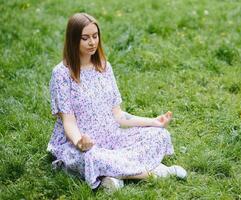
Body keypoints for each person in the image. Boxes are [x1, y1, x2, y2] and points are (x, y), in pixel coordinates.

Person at [47, 13, 187, 190]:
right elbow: (68, 121)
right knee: (92, 157)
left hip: (111, 136)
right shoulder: (61, 74)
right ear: (73, 39)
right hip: (78, 144)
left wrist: (154, 122)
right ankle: (156, 173)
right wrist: (79, 142)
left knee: (159, 135)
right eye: (85, 38)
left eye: (95, 36)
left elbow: (118, 115)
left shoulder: (104, 67)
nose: (92, 42)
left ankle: (114, 176)